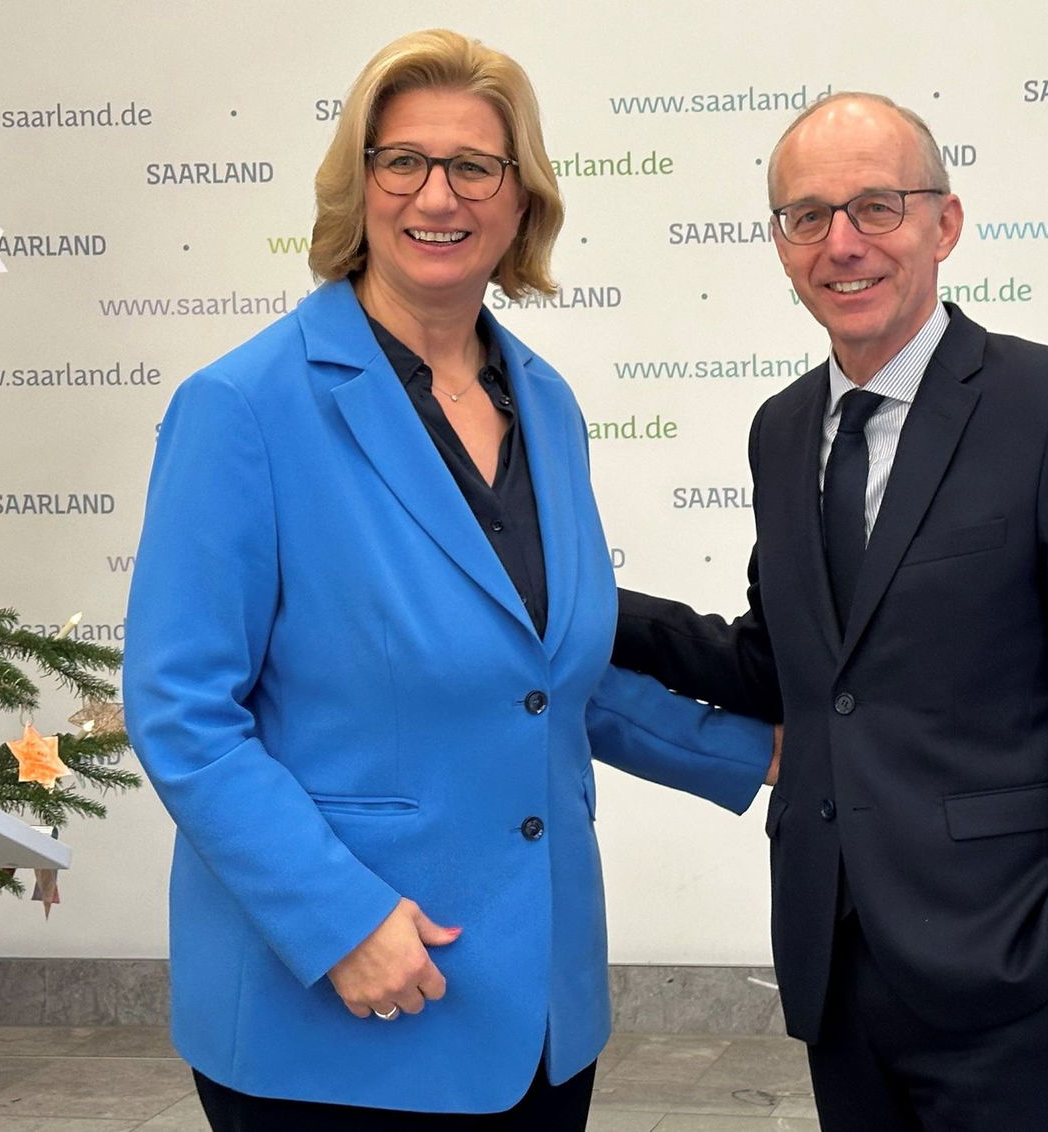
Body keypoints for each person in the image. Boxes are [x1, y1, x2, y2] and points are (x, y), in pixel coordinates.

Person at [123, 28, 775, 1130]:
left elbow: (543, 670)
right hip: (335, 1005)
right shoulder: (243, 408)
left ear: (521, 202)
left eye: (476, 166)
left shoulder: (549, 404)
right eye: (405, 161)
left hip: (539, 1012)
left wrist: (764, 754)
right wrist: (336, 921)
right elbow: (182, 714)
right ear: (358, 185)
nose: (440, 193)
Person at [613, 92, 1048, 1131]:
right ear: (782, 243)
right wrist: (583, 607)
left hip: (1011, 977)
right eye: (807, 216)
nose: (841, 243)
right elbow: (781, 666)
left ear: (944, 224)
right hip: (834, 962)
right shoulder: (781, 430)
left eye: (875, 207)